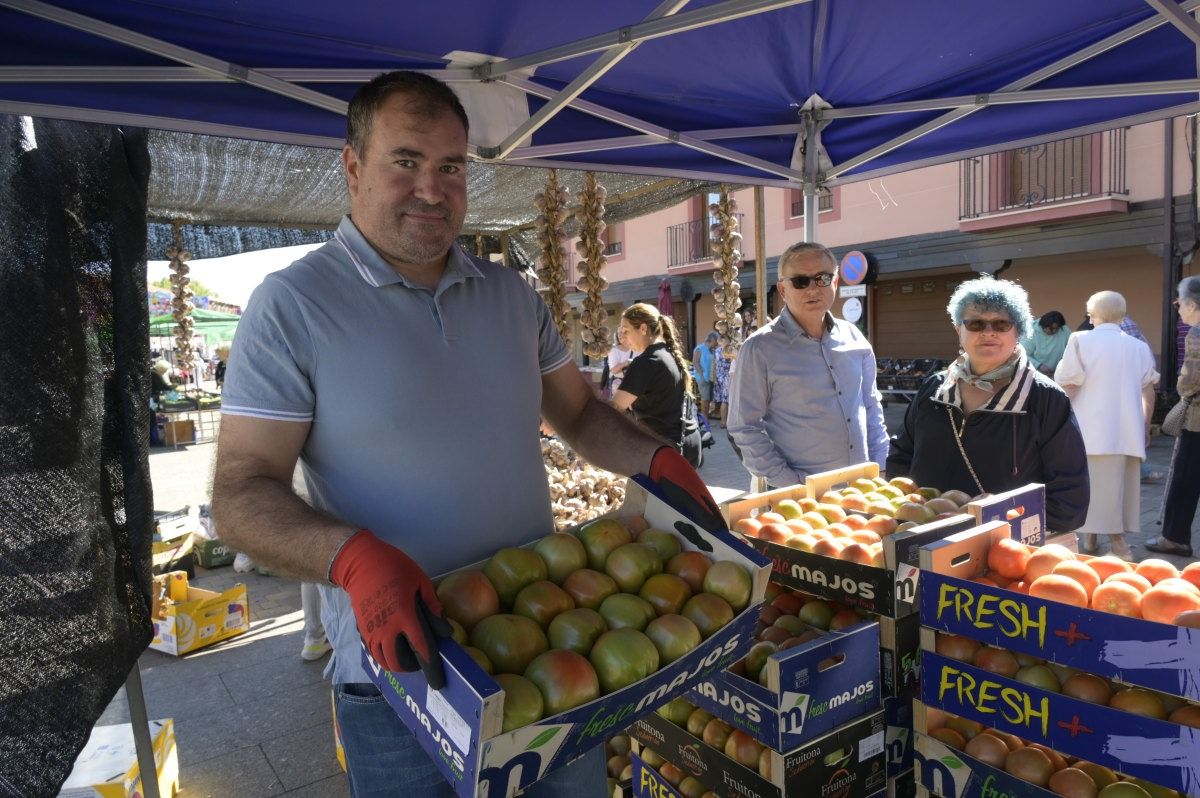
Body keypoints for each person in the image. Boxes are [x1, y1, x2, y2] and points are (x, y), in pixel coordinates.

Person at [210, 70, 720, 798]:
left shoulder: (510, 295)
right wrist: (350, 559)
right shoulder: (291, 306)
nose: (432, 188)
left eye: (451, 167)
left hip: (554, 648)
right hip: (405, 671)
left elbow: (576, 413)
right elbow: (239, 492)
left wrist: (656, 460)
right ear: (352, 167)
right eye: (406, 161)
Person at [887, 277, 1089, 533]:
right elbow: (900, 457)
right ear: (959, 330)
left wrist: (997, 529)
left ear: (1018, 331)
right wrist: (914, 511)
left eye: (1001, 323)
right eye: (975, 323)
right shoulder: (933, 390)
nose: (988, 332)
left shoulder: (1045, 399)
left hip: (1002, 554)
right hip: (921, 539)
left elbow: (1069, 499)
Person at [728, 241, 888, 488]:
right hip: (799, 502)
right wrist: (792, 486)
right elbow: (744, 427)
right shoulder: (760, 349)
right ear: (782, 290)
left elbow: (870, 406)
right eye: (801, 281)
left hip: (862, 490)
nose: (813, 289)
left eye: (822, 278)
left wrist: (881, 465)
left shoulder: (855, 338)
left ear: (835, 282)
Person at [1054, 291, 1158, 558]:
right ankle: (1093, 538)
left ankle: (1117, 544)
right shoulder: (1139, 347)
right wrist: (1145, 425)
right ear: (1123, 316)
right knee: (1116, 488)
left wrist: (1057, 420)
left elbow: (1070, 383)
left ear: (1092, 314)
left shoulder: (1080, 340)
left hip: (1087, 428)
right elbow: (1148, 390)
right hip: (1126, 431)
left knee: (1087, 485)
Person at [1145, 276, 1200, 556]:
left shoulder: (1197, 333)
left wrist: (1182, 390)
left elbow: (1190, 381)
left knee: (1185, 479)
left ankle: (1175, 537)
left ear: (1192, 304)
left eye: (1180, 302)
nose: (1178, 307)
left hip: (1197, 420)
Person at [612, 303, 704, 467]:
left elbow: (614, 408)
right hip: (688, 442)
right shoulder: (669, 354)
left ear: (643, 328)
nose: (623, 338)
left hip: (666, 449)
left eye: (626, 331)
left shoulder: (645, 362)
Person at [1022, 310, 1070, 377]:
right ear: (1043, 325)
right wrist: (1039, 365)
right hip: (1034, 374)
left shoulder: (1064, 330)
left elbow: (1071, 349)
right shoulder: (1032, 333)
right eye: (1051, 328)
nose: (1054, 331)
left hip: (1055, 374)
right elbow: (1022, 355)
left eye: (1056, 328)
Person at [692, 331, 719, 416]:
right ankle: (705, 419)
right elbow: (695, 362)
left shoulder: (713, 350)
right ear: (713, 340)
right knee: (705, 399)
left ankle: (708, 416)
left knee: (710, 399)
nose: (717, 344)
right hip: (703, 378)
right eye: (717, 341)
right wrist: (702, 374)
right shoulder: (699, 348)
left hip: (711, 378)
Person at [605, 324, 634, 398]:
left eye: (622, 332)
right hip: (619, 385)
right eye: (618, 333)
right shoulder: (614, 350)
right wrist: (626, 363)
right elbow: (614, 370)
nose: (619, 335)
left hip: (635, 384)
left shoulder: (637, 348)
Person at [711, 336, 734, 428]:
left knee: (721, 400)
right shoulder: (729, 350)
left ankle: (722, 421)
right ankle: (724, 422)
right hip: (727, 377)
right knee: (725, 401)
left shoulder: (717, 350)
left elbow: (715, 364)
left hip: (719, 376)